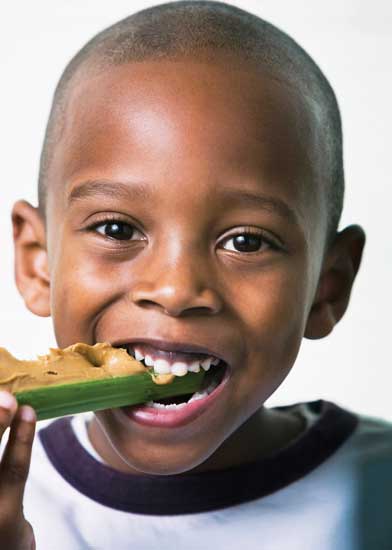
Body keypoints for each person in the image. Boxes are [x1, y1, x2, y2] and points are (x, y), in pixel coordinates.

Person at [1, 1, 391, 548]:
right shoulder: (16, 494)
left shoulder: (378, 490)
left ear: (328, 286)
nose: (176, 289)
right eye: (117, 230)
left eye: (246, 242)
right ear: (37, 260)